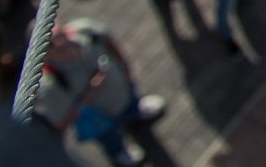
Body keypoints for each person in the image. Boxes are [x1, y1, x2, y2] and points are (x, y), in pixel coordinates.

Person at [32, 19, 168, 167]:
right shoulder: (50, 83)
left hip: (122, 91)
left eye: (61, 35)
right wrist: (91, 91)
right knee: (111, 140)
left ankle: (137, 113)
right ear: (42, 54)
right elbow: (59, 123)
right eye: (51, 44)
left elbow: (109, 41)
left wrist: (126, 68)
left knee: (131, 104)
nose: (60, 43)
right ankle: (119, 153)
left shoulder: (86, 31)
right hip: (102, 119)